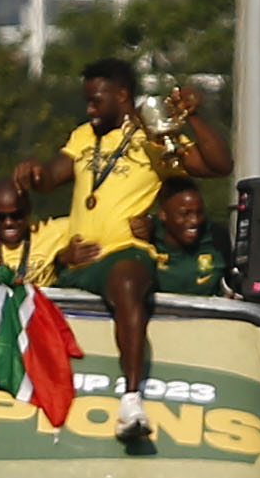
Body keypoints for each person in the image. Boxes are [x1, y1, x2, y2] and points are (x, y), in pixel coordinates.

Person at [21, 57, 227, 444]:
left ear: (122, 96)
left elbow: (218, 165)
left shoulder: (151, 137)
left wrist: (194, 118)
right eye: (87, 101)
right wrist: (34, 173)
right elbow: (50, 178)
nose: (90, 109)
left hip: (122, 254)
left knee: (130, 279)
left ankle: (131, 399)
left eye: (96, 101)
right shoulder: (83, 135)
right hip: (79, 263)